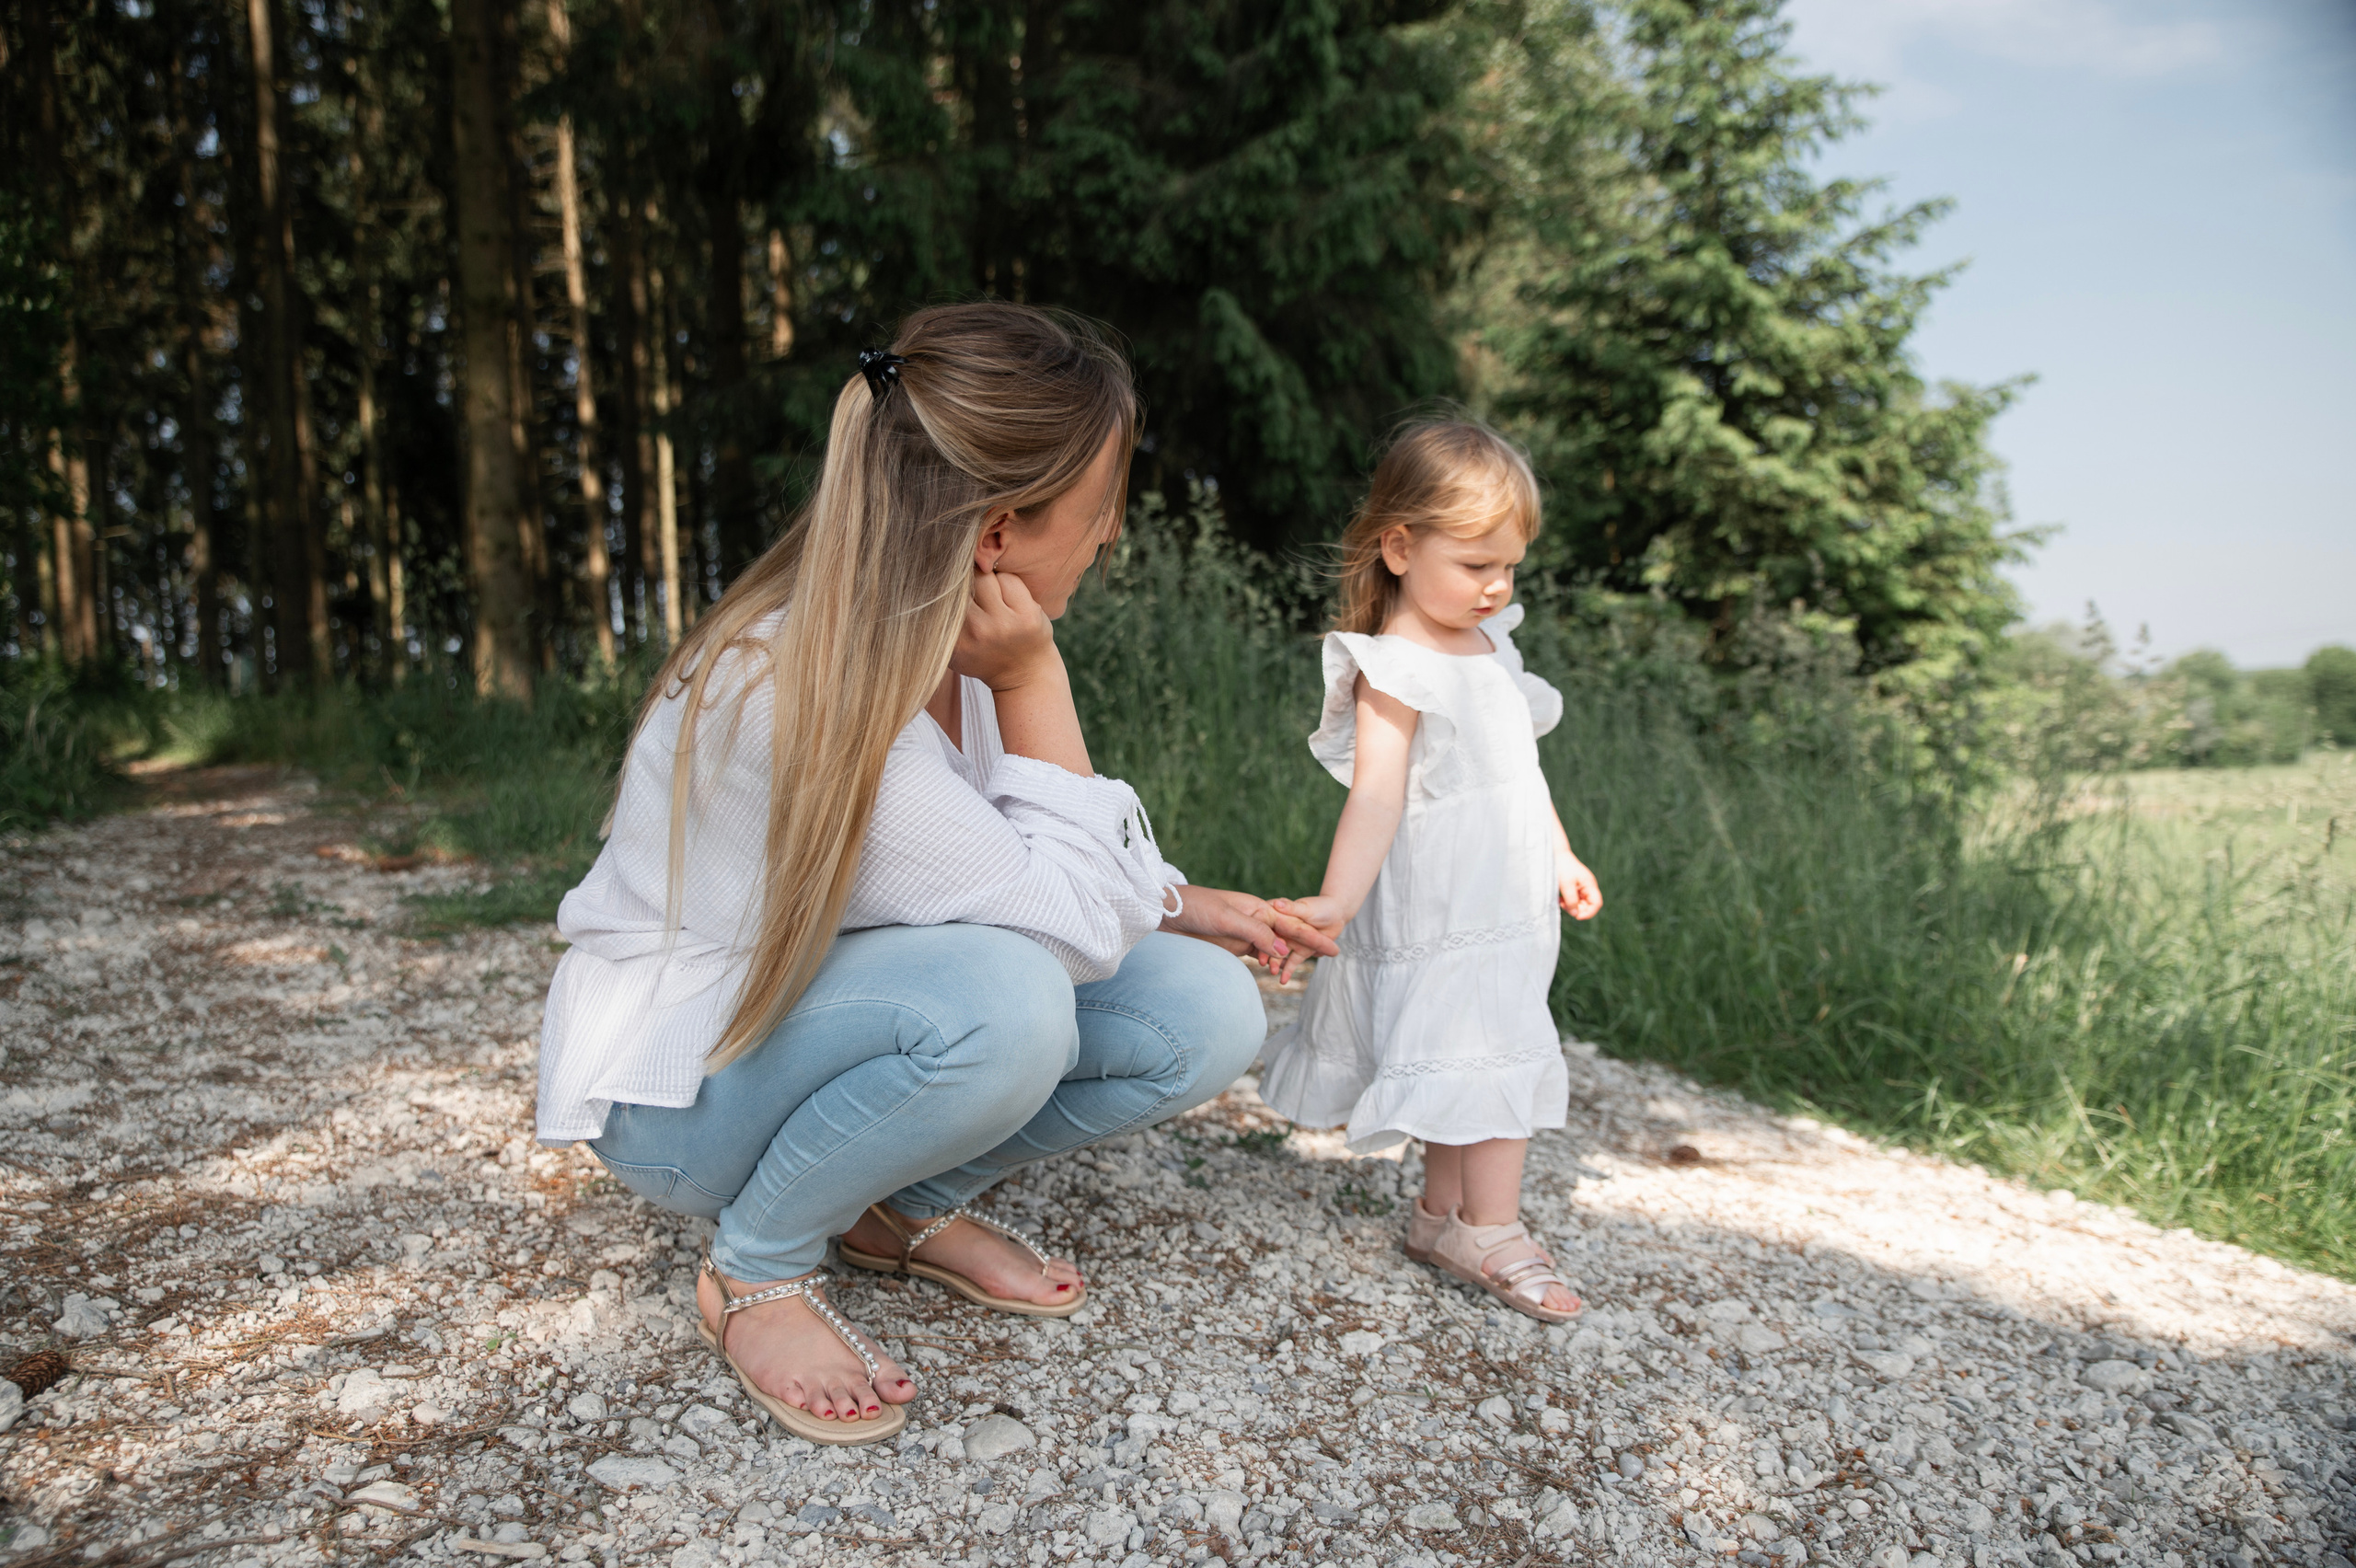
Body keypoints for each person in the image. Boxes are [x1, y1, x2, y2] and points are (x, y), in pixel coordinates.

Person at [535, 303, 1334, 1446]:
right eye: (1100, 512)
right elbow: (1054, 933)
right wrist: (1037, 686)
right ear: (999, 533)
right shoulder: (799, 689)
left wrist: (1184, 902)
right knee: (1007, 1006)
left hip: (795, 1019)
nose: (1109, 539)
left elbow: (1009, 872)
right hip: (680, 1098)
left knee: (1203, 1008)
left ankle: (896, 1205)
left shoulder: (934, 644)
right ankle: (756, 1267)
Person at [1260, 420, 1603, 1325]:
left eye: (1510, 568)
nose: (1497, 587)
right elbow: (1374, 798)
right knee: (1489, 1044)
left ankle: (1441, 1216)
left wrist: (1560, 850)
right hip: (1439, 900)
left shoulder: (1494, 646)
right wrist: (1336, 899)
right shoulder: (1394, 667)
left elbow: (1517, 769)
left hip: (1508, 897)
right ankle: (1494, 1229)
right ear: (1401, 548)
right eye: (1477, 565)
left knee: (1471, 1048)